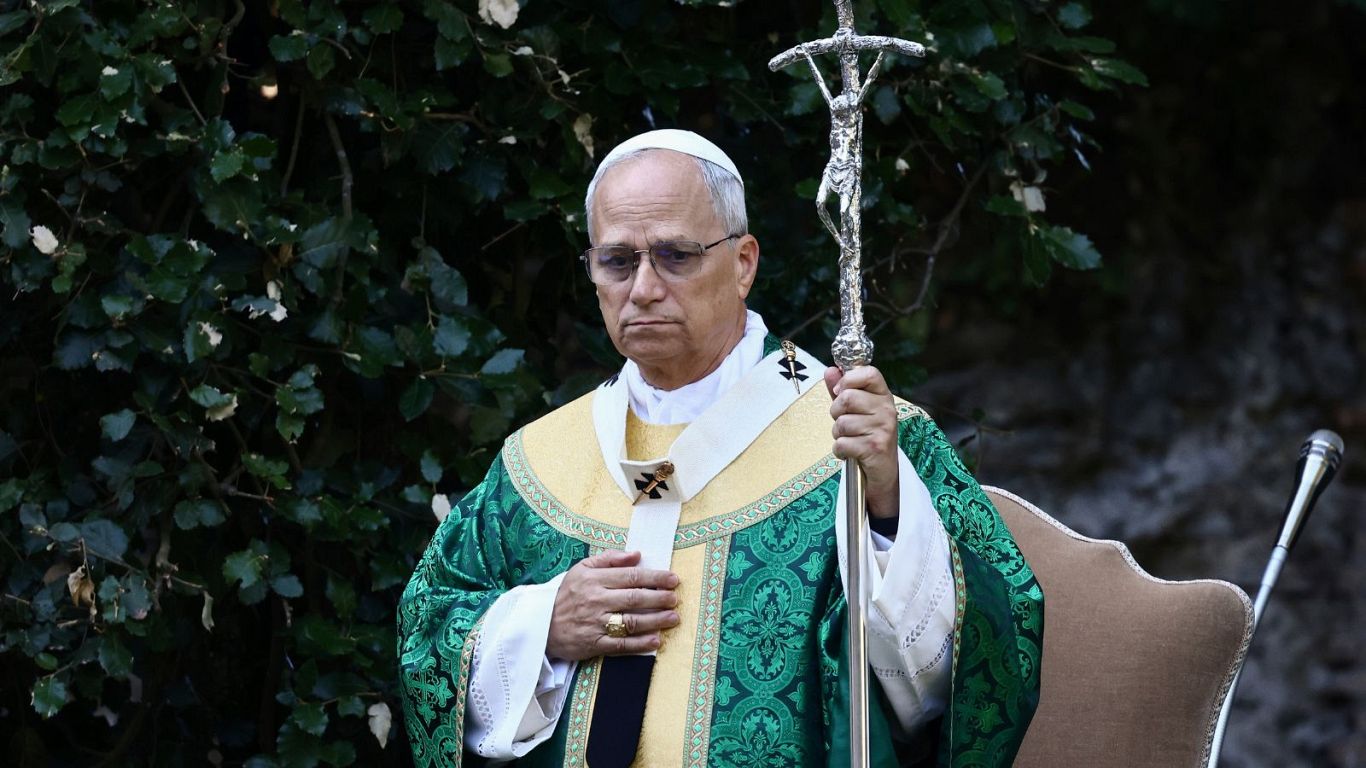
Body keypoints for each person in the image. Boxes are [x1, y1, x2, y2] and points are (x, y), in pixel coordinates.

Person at [397, 130, 1043, 767]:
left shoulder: (861, 438)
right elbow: (429, 636)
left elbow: (989, 656)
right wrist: (543, 628)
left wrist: (887, 509)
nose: (643, 288)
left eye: (675, 255)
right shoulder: (535, 464)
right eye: (617, 261)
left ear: (743, 264)